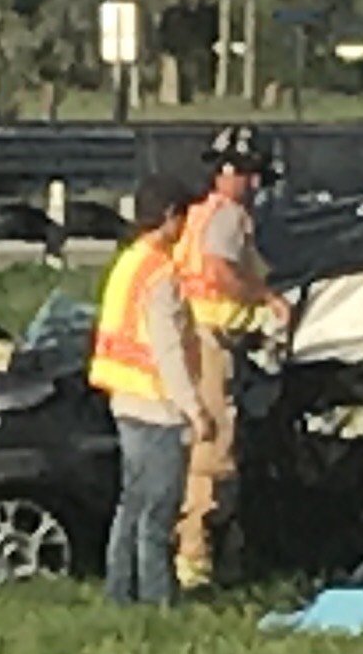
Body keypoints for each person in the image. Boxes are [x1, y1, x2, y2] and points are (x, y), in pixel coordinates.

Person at [88, 173, 217, 607]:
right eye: (182, 217)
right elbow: (169, 351)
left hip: (123, 397)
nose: (184, 228)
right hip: (156, 404)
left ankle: (119, 593)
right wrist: (195, 409)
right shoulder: (161, 275)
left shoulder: (128, 263)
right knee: (158, 513)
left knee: (132, 505)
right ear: (167, 217)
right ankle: (158, 601)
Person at [172, 126, 287, 591]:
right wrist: (267, 299)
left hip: (198, 339)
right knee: (213, 451)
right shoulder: (229, 219)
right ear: (231, 174)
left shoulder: (199, 215)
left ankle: (198, 554)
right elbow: (221, 272)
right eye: (252, 175)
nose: (257, 187)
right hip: (213, 344)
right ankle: (195, 563)